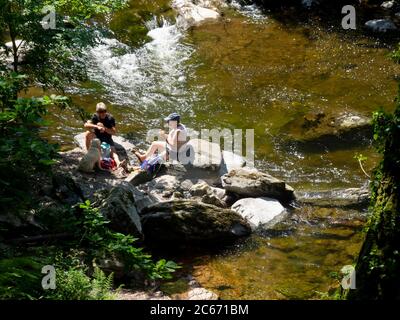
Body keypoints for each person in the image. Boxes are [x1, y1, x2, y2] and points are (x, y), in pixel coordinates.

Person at [84, 102, 123, 168]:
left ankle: (118, 162)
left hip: (107, 137)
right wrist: (97, 127)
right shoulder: (95, 116)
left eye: (104, 111)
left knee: (113, 152)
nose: (102, 113)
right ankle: (88, 153)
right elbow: (86, 125)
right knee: (87, 133)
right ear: (97, 112)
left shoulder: (110, 118)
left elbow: (114, 132)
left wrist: (104, 128)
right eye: (100, 112)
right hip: (97, 136)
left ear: (106, 111)